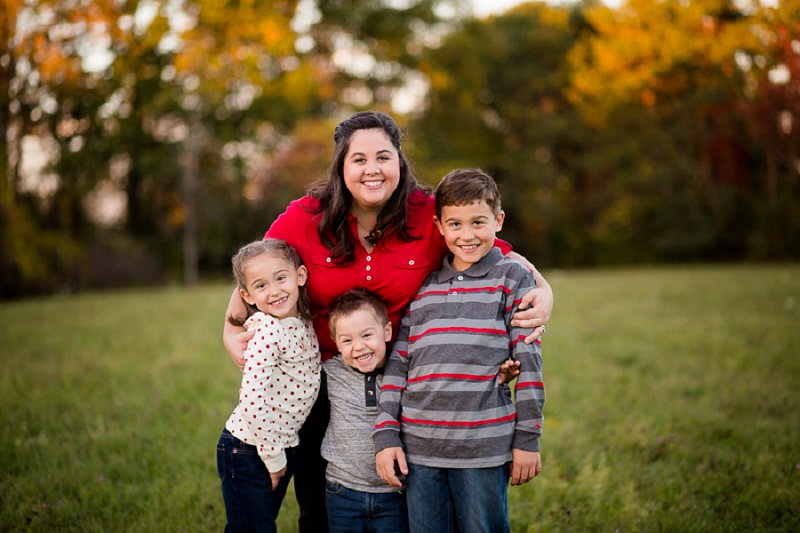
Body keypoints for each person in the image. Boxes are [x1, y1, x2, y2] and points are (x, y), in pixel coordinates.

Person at [222, 111, 554, 532]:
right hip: (320, 381)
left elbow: (499, 253)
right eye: (359, 159)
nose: (372, 169)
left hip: (405, 381)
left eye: (383, 156)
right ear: (341, 166)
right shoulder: (306, 216)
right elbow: (258, 266)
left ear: (399, 160)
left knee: (399, 499)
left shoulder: (428, 214)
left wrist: (545, 292)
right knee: (320, 504)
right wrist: (231, 327)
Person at [373, 168, 546, 533]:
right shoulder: (423, 286)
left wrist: (527, 439)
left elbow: (529, 362)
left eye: (478, 222)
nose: (467, 235)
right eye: (455, 224)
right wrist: (386, 434)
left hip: (483, 447)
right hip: (419, 449)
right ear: (439, 226)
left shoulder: (512, 278)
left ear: (498, 221)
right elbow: (398, 367)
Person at [217, 239, 322, 533]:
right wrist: (274, 458)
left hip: (279, 445)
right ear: (247, 295)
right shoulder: (267, 332)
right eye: (261, 285)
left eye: (280, 278)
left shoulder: (300, 321)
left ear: (300, 276)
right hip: (249, 449)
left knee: (259, 524)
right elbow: (252, 402)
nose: (274, 291)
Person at [322, 288, 407, 532]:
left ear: (387, 332)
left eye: (367, 335)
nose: (358, 347)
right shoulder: (331, 371)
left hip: (393, 492)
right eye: (347, 340)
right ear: (336, 343)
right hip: (342, 490)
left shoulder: (401, 373)